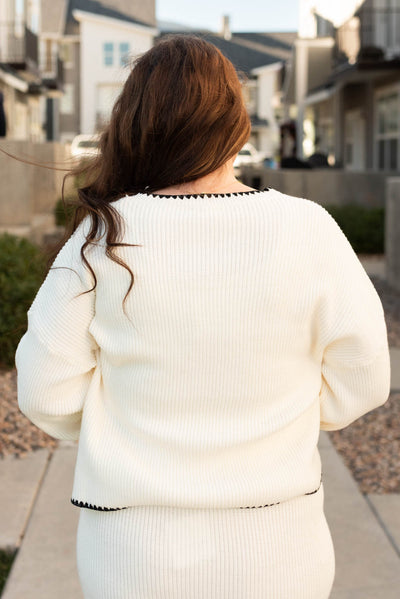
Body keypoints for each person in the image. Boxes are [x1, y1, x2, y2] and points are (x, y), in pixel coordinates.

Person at [14, 34, 391, 599]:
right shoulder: (308, 227)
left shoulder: (104, 235)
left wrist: (119, 428)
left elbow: (46, 391)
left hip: (133, 552)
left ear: (136, 122)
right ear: (236, 123)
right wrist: (275, 419)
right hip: (279, 545)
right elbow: (363, 380)